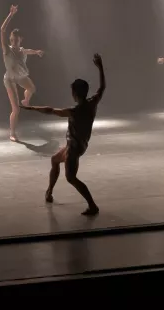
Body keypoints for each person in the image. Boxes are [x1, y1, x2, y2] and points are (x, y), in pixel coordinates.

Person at [21, 53, 106, 216]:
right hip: (76, 145)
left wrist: (31, 108)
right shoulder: (92, 104)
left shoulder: (74, 111)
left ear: (75, 94)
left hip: (75, 148)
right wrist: (100, 67)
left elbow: (50, 111)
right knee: (54, 160)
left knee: (71, 178)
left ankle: (93, 205)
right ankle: (49, 192)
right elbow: (102, 88)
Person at [0, 5, 45, 142]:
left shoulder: (22, 49)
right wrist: (11, 14)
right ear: (10, 39)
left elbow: (28, 50)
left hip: (20, 76)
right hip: (10, 79)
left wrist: (36, 52)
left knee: (32, 88)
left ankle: (26, 100)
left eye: (16, 40)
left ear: (20, 40)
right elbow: (2, 30)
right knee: (16, 109)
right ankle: (12, 132)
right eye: (12, 39)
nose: (13, 41)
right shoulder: (7, 49)